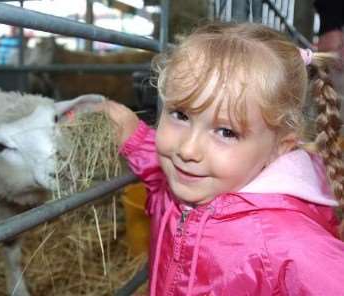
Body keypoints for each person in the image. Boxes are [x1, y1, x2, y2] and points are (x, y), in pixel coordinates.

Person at [99, 22, 344, 295]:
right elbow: (159, 187)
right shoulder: (186, 186)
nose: (188, 150)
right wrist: (134, 139)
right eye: (180, 115)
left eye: (226, 132)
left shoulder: (289, 244)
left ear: (279, 148)